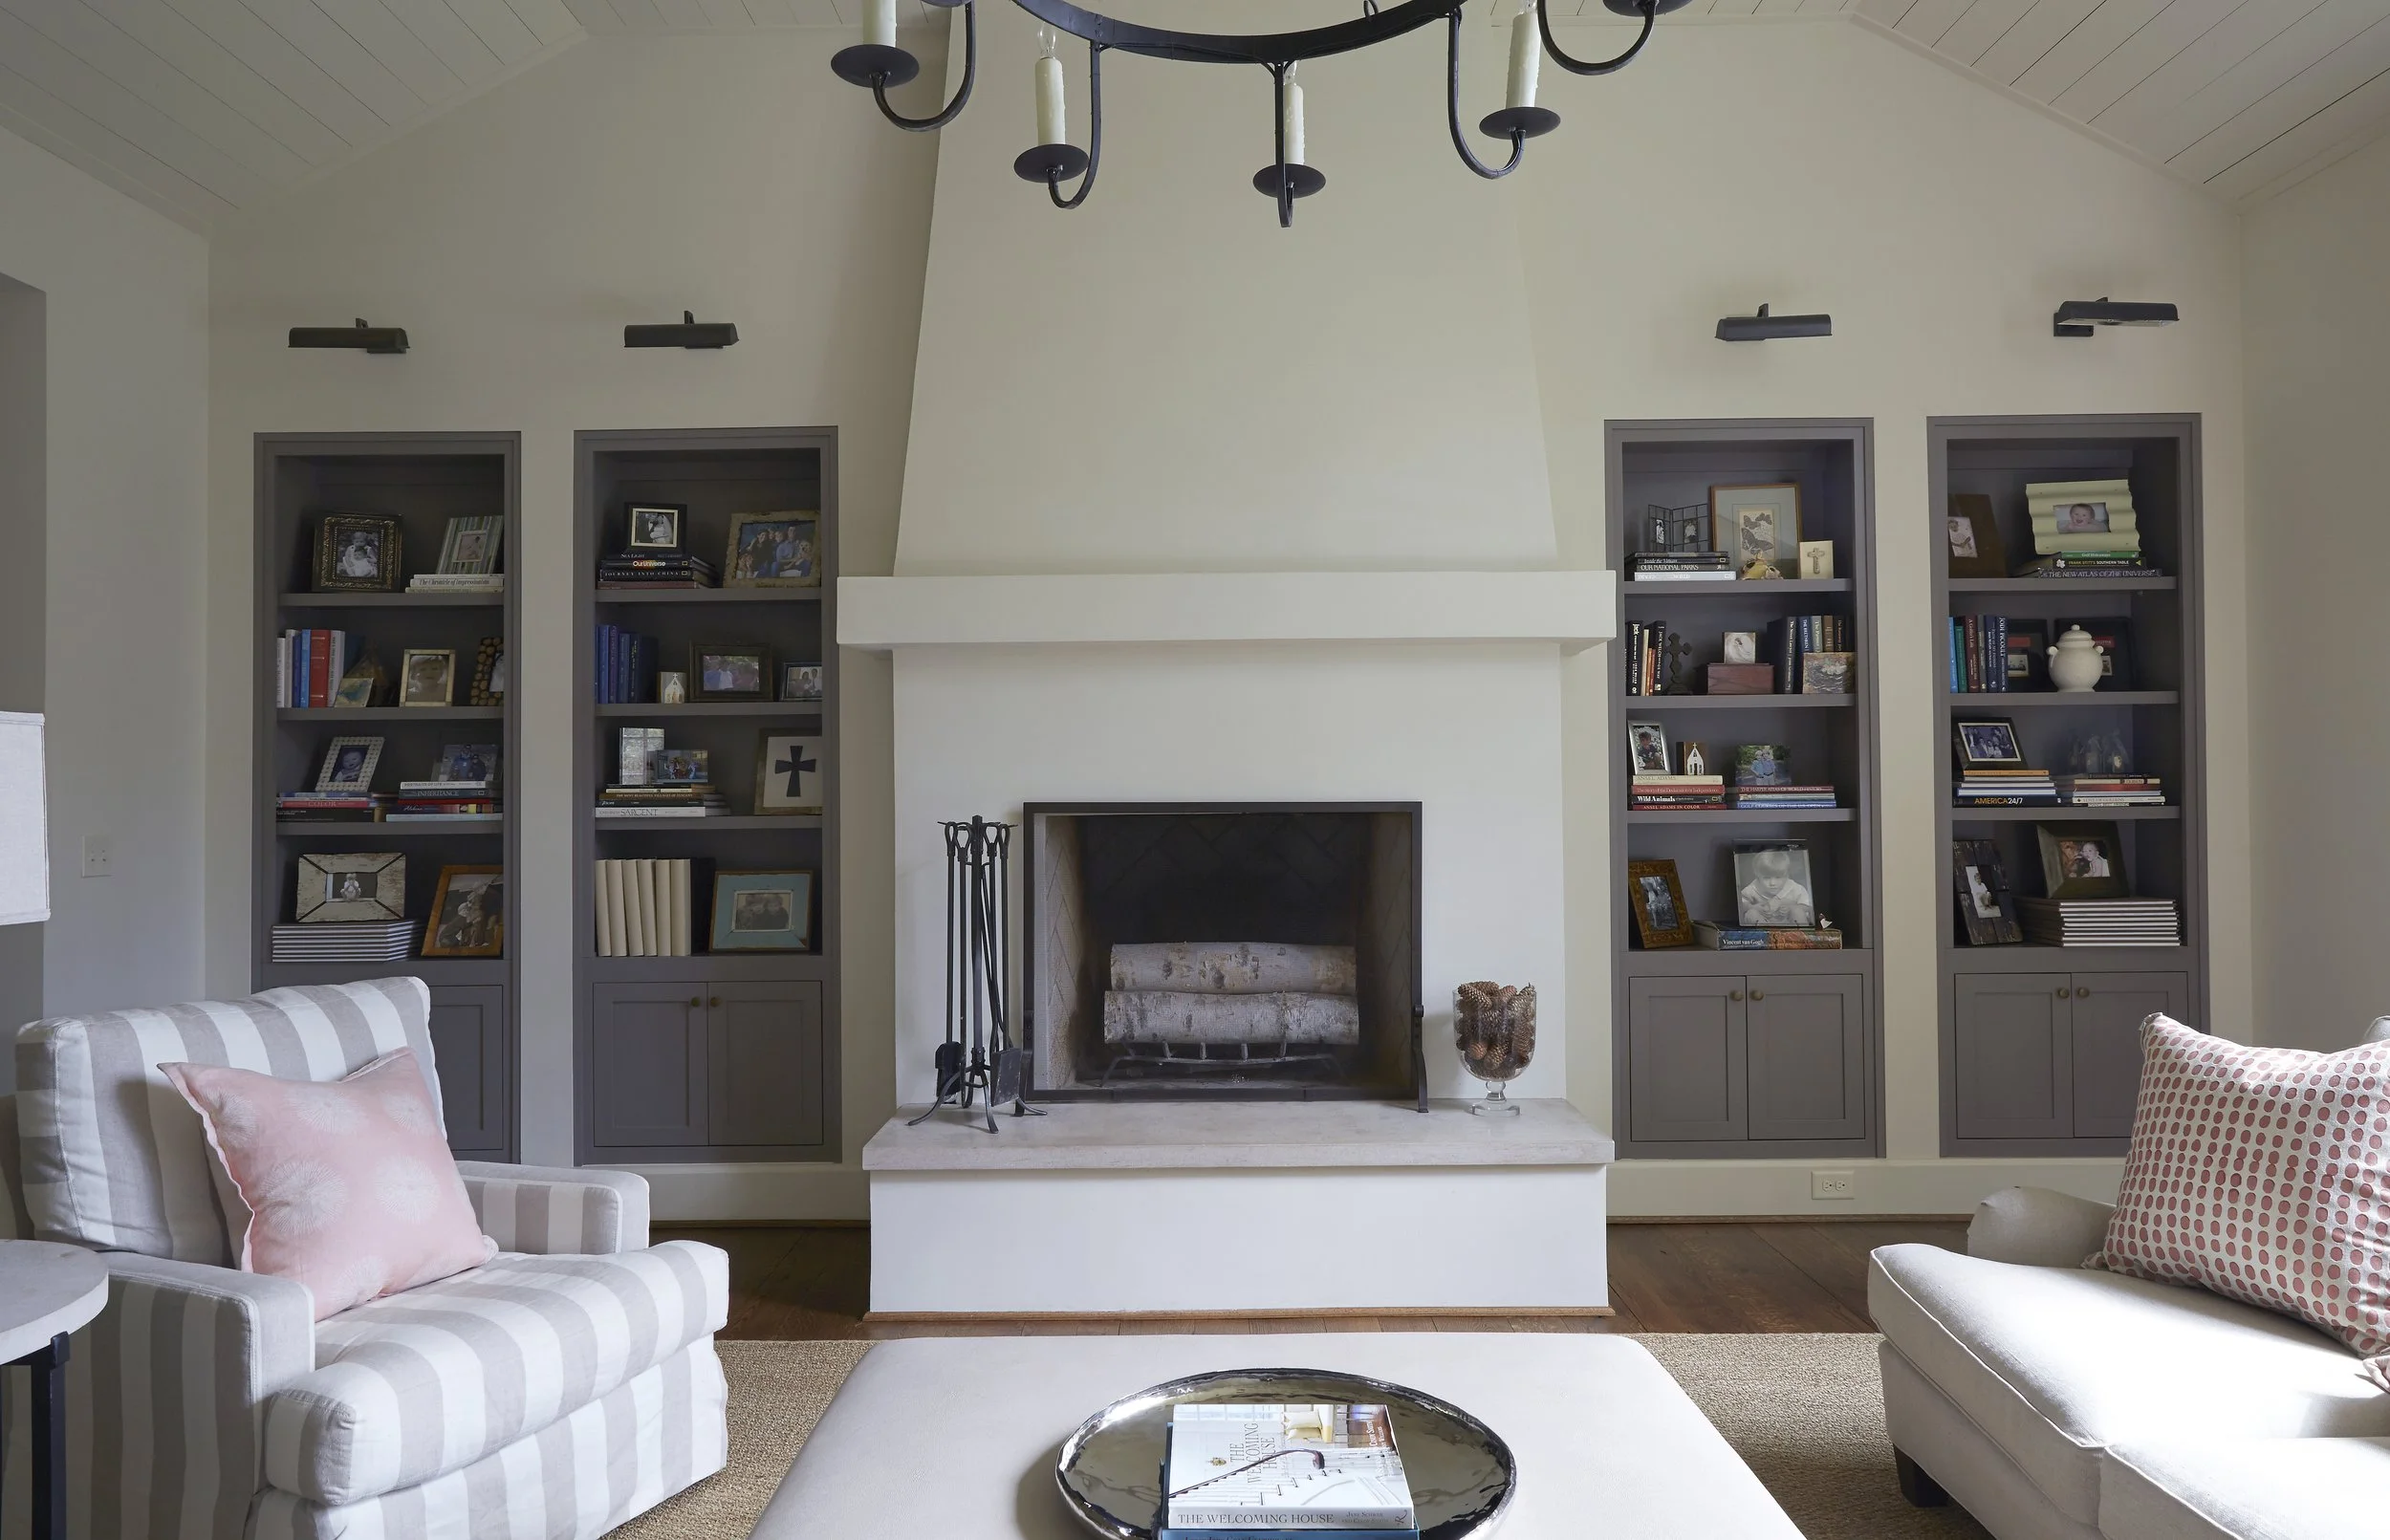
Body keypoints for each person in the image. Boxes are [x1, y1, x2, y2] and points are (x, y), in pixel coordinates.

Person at [1738, 849, 1815, 927]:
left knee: (1797, 911)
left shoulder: (1795, 888)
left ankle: (1801, 937)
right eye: (1766, 878)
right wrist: (1754, 907)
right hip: (1764, 924)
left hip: (1790, 924)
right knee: (1751, 913)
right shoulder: (1753, 888)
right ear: (1758, 876)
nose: (1772, 883)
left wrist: (1790, 907)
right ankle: (1763, 936)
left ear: (1786, 875)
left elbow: (1807, 906)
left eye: (1778, 877)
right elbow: (1741, 905)